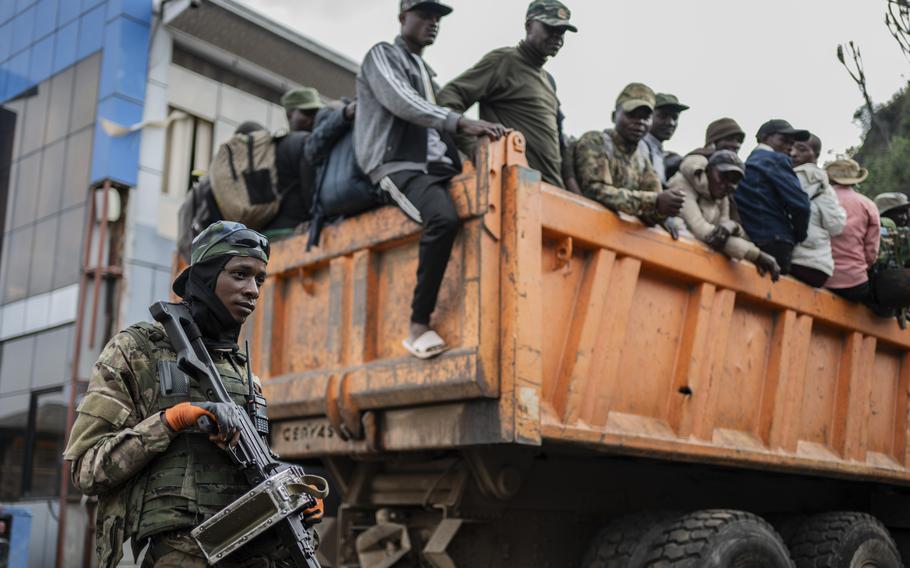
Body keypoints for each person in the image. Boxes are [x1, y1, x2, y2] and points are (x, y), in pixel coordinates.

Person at [63, 222, 324, 567]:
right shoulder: (138, 351)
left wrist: (292, 490)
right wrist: (173, 419)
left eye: (260, 279)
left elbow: (253, 466)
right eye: (240, 274)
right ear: (205, 276)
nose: (253, 290)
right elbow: (86, 470)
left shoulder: (245, 375)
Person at [355, 0, 507, 359]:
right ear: (402, 17)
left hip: (434, 169)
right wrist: (459, 120)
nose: (433, 22)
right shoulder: (381, 55)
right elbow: (401, 101)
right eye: (424, 15)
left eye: (438, 17)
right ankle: (417, 326)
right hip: (394, 166)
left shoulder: (426, 71)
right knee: (443, 217)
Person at [436, 0, 577, 190]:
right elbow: (448, 97)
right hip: (516, 187)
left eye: (561, 32)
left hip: (550, 191)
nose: (557, 37)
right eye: (550, 28)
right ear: (529, 26)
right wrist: (475, 148)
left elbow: (559, 141)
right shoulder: (504, 61)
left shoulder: (548, 80)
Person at [574, 82, 685, 232]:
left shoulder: (642, 159)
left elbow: (652, 210)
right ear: (614, 116)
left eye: (645, 118)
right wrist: (655, 201)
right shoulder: (596, 142)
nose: (639, 122)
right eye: (631, 115)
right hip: (584, 229)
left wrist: (666, 209)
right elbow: (595, 191)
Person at [671, 150, 780, 280]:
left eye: (734, 181)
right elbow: (704, 232)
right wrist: (755, 255)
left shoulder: (721, 197)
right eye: (723, 176)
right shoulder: (682, 183)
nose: (728, 185)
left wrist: (734, 227)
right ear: (708, 170)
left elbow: (722, 234)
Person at [733, 119, 811, 274]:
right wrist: (798, 235)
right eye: (784, 140)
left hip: (750, 238)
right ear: (765, 138)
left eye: (792, 143)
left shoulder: (746, 164)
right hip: (776, 240)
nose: (790, 148)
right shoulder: (776, 160)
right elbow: (800, 205)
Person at [788, 134, 847, 287]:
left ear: (816, 154)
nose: (793, 153)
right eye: (792, 147)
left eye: (801, 149)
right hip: (818, 267)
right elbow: (836, 227)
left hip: (790, 260)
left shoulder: (787, 178)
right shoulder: (825, 188)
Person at [825, 159, 881, 303]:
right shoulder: (868, 205)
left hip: (820, 277)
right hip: (854, 283)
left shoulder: (818, 198)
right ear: (855, 180)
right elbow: (871, 252)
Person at [643, 93, 689, 185]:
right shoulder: (640, 147)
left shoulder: (658, 152)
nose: (670, 123)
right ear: (648, 117)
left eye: (675, 117)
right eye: (663, 116)